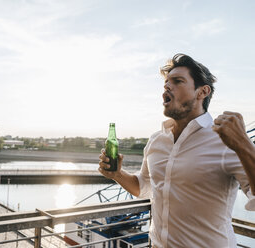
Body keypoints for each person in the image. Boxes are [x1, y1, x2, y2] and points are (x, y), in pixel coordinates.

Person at [98, 54, 255, 247]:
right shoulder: (157, 140)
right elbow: (144, 186)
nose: (167, 86)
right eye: (166, 83)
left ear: (202, 92)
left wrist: (245, 146)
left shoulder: (226, 140)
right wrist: (117, 174)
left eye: (177, 81)